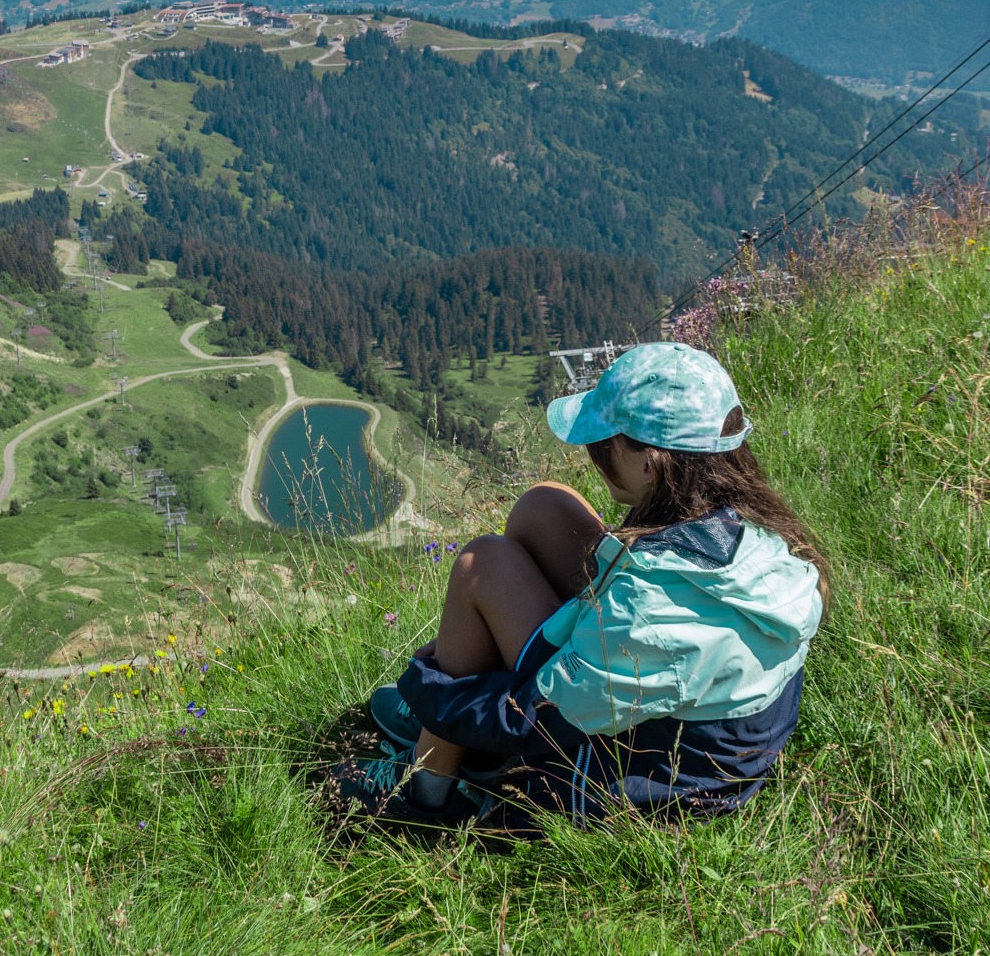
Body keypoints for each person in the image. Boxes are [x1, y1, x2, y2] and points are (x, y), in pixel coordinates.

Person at [327, 341, 826, 829]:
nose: (593, 454)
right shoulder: (758, 534)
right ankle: (453, 739)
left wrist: (430, 686)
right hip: (664, 715)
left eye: (603, 444)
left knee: (480, 564)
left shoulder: (652, 609)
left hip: (645, 774)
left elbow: (531, 716)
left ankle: (428, 788)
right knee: (545, 507)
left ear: (650, 464)